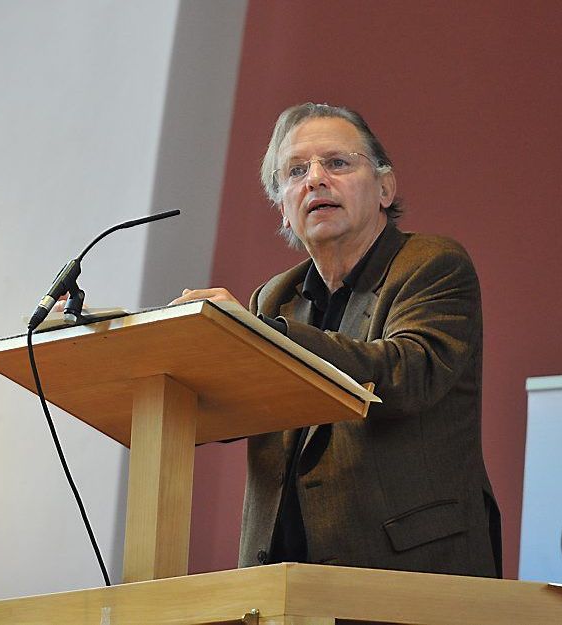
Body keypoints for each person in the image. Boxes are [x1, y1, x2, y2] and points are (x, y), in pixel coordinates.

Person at [172, 103, 501, 577]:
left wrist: (260, 335)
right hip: (283, 574)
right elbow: (233, 406)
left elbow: (408, 373)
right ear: (284, 207)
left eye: (338, 163)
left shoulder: (433, 263)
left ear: (385, 188)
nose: (315, 180)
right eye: (296, 172)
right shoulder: (275, 297)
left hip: (408, 572)